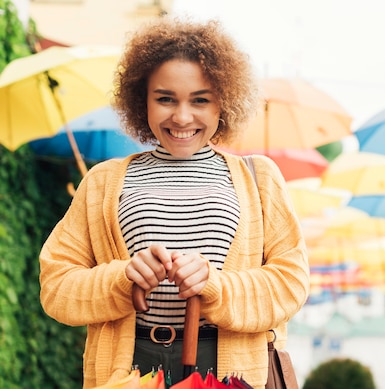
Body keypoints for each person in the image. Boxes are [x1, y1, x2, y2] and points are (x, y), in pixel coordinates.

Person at [39, 17, 310, 388]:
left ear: (223, 103)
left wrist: (215, 286)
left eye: (200, 100)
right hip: (129, 368)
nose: (182, 117)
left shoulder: (259, 178)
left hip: (227, 369)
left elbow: (290, 284)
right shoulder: (103, 181)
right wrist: (123, 278)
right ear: (141, 99)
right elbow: (57, 288)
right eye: (165, 99)